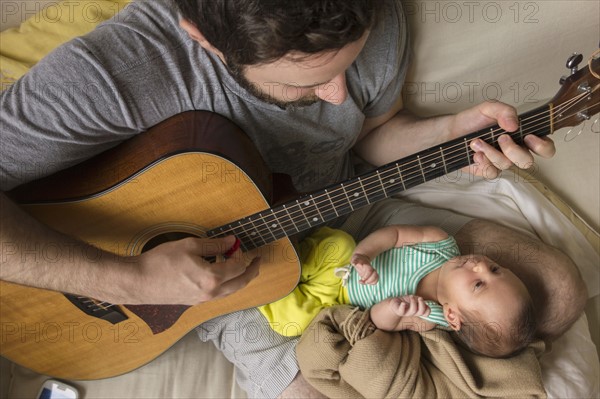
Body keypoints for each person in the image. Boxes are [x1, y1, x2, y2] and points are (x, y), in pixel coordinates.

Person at [0, 0, 586, 397]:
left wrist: (455, 132)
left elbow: (372, 135)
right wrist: (130, 283)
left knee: (557, 295)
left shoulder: (365, 9)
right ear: (202, 36)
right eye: (304, 82)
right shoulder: (114, 73)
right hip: (225, 291)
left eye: (348, 66)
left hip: (345, 209)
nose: (337, 96)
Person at [258, 225, 536, 358]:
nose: (480, 266)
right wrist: (364, 256)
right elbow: (395, 235)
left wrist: (394, 309)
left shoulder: (429, 317)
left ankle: (256, 280)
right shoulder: (440, 244)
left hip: (340, 302)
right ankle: (275, 252)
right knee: (339, 243)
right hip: (343, 264)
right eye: (496, 269)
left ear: (453, 316)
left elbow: (378, 323)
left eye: (479, 284)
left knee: (293, 323)